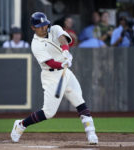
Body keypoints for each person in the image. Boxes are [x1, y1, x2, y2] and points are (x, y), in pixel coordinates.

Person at [11, 12, 98, 144]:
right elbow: (49, 63)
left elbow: (63, 38)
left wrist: (65, 51)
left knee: (79, 101)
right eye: (39, 26)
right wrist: (62, 63)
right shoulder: (36, 44)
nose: (44, 28)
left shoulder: (55, 28)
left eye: (45, 25)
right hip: (51, 76)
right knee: (49, 113)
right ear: (33, 28)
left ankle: (91, 133)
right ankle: (21, 124)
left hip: (65, 73)